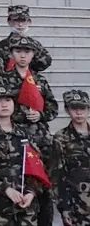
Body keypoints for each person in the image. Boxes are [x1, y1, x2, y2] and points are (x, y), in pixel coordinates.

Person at [0, 81, 47, 225]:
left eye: (8, 100)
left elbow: (37, 166)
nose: (4, 105)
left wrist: (31, 192)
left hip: (26, 206)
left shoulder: (25, 133)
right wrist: (5, 189)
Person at [54, 89, 90, 226]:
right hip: (76, 203)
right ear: (67, 110)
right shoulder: (61, 138)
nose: (79, 112)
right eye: (74, 108)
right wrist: (64, 207)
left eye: (82, 108)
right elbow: (58, 174)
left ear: (88, 110)